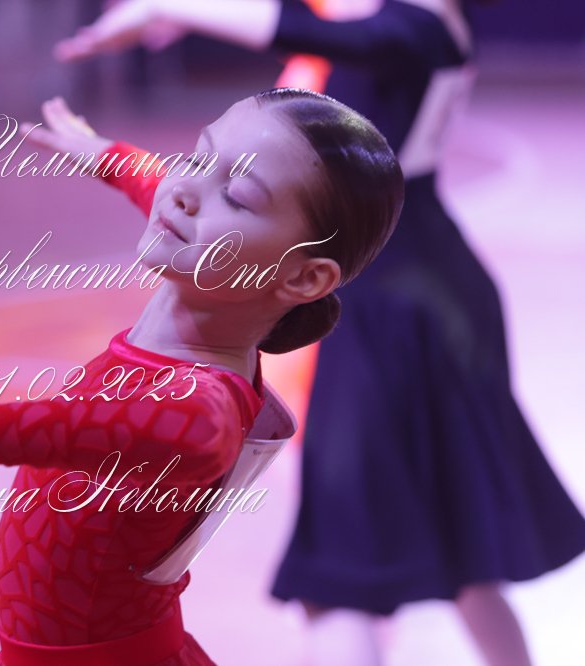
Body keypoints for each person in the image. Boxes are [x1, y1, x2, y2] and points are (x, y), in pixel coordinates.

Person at [0, 88, 404, 665]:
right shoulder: (206, 281)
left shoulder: (199, 410)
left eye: (238, 197)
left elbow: (62, 426)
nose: (185, 191)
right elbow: (160, 187)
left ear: (303, 278)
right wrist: (103, 155)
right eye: (197, 158)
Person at [53, 2, 585, 665]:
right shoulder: (431, 17)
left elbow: (309, 29)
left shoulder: (412, 28)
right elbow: (311, 16)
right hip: (437, 292)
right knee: (461, 546)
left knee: (339, 578)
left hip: (394, 311)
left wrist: (169, 5)